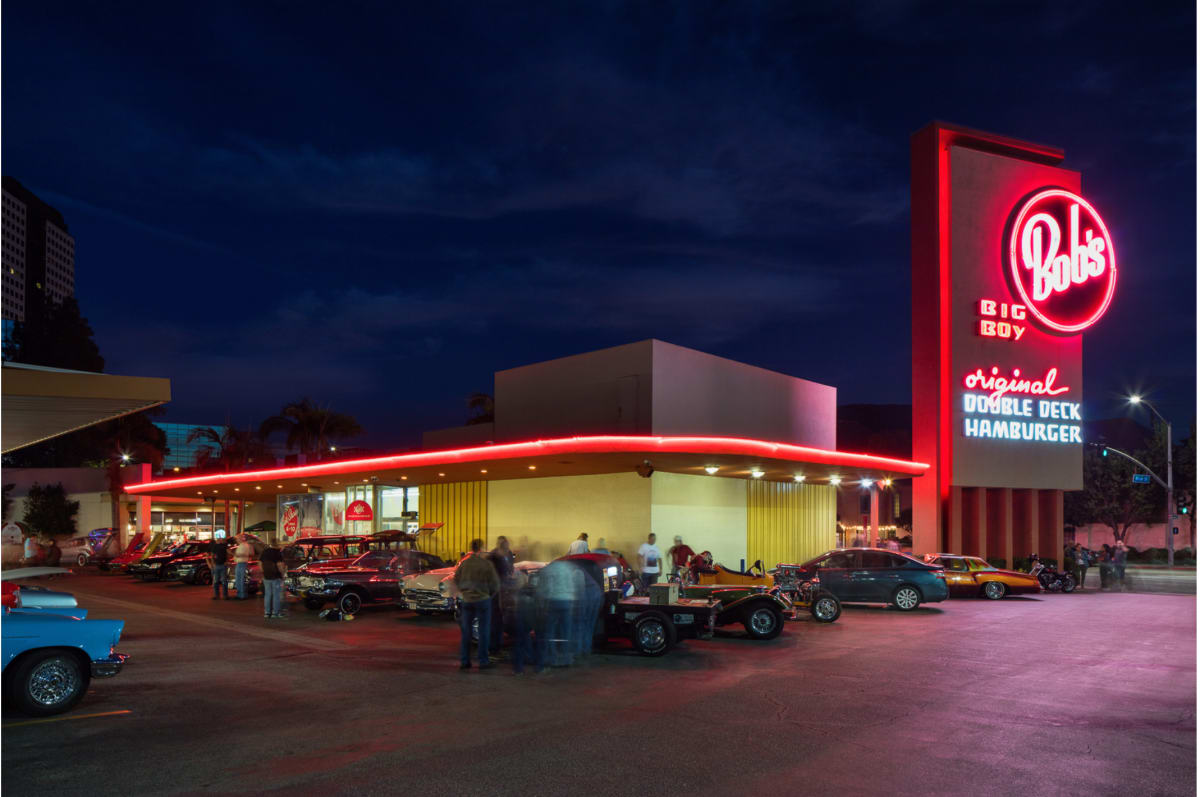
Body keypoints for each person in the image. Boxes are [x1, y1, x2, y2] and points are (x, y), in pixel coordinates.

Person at [453, 539, 500, 670]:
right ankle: (483, 661)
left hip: (467, 601)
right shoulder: (486, 564)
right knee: (483, 631)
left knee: (466, 632)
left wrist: (465, 592)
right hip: (483, 600)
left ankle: (465, 661)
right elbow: (495, 584)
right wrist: (488, 594)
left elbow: (456, 579)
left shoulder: (465, 563)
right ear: (481, 548)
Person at [487, 536, 516, 652]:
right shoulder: (493, 556)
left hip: (504, 590)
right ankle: (493, 647)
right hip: (495, 591)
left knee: (500, 619)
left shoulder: (508, 553)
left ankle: (497, 644)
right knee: (495, 619)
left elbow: (510, 567)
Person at [260, 542, 287, 618]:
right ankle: (275, 613)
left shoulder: (265, 552)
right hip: (276, 577)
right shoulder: (278, 553)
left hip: (266, 576)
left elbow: (259, 563)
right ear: (277, 545)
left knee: (267, 594)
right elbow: (279, 565)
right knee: (276, 595)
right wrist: (282, 574)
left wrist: (263, 572)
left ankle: (267, 612)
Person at [233, 534, 254, 600]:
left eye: (237, 539)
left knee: (240, 579)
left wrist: (234, 554)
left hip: (241, 563)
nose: (236, 540)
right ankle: (241, 594)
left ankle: (241, 595)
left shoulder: (243, 545)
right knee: (240, 579)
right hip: (240, 563)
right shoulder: (243, 545)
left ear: (241, 539)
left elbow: (242, 554)